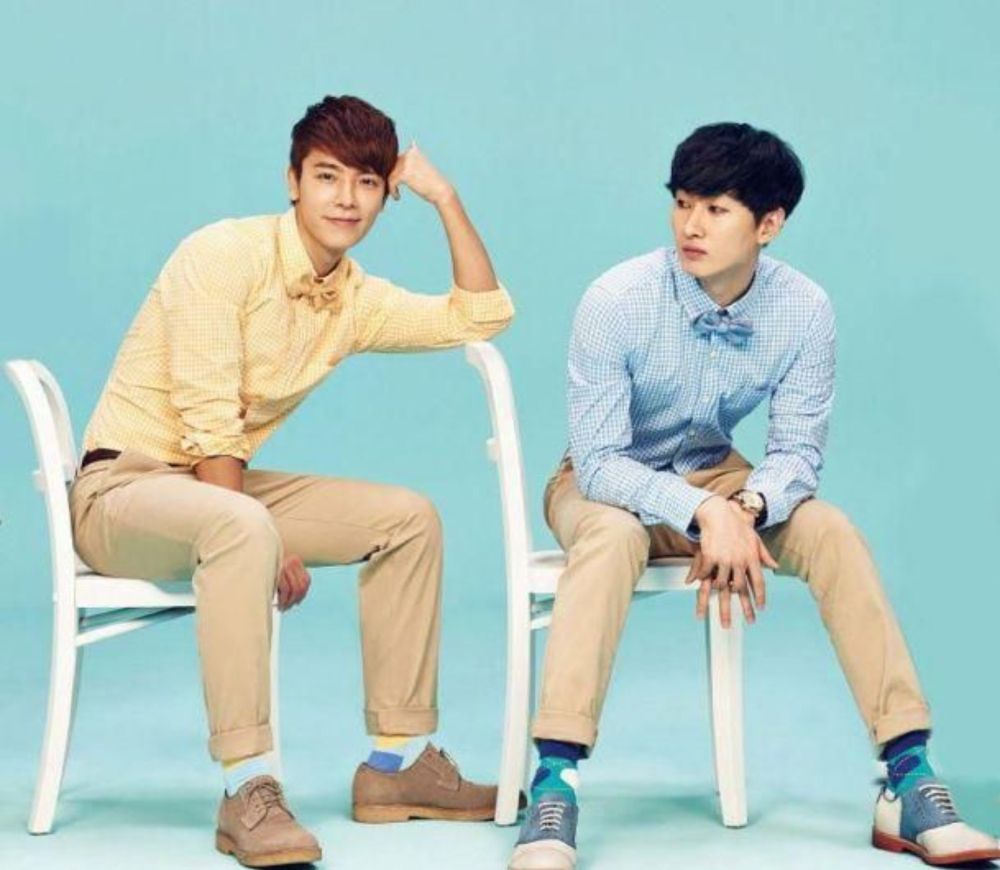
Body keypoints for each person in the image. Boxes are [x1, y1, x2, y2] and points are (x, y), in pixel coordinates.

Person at [508, 122, 1000, 870]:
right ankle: (556, 784)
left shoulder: (804, 308)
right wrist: (703, 512)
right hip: (603, 484)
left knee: (829, 529)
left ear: (769, 224)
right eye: (682, 203)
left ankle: (908, 778)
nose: (691, 225)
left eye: (716, 209)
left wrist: (741, 509)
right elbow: (602, 463)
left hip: (720, 477)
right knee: (611, 535)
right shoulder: (616, 299)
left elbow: (798, 453)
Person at [69, 94, 515, 868]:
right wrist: (260, 533)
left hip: (215, 490)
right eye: (327, 176)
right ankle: (247, 785)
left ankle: (395, 764)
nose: (346, 198)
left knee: (408, 517)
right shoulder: (221, 254)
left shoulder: (354, 300)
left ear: (386, 194)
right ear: (292, 181)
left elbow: (480, 316)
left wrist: (444, 196)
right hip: (123, 493)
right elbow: (210, 419)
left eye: (367, 182)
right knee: (241, 523)